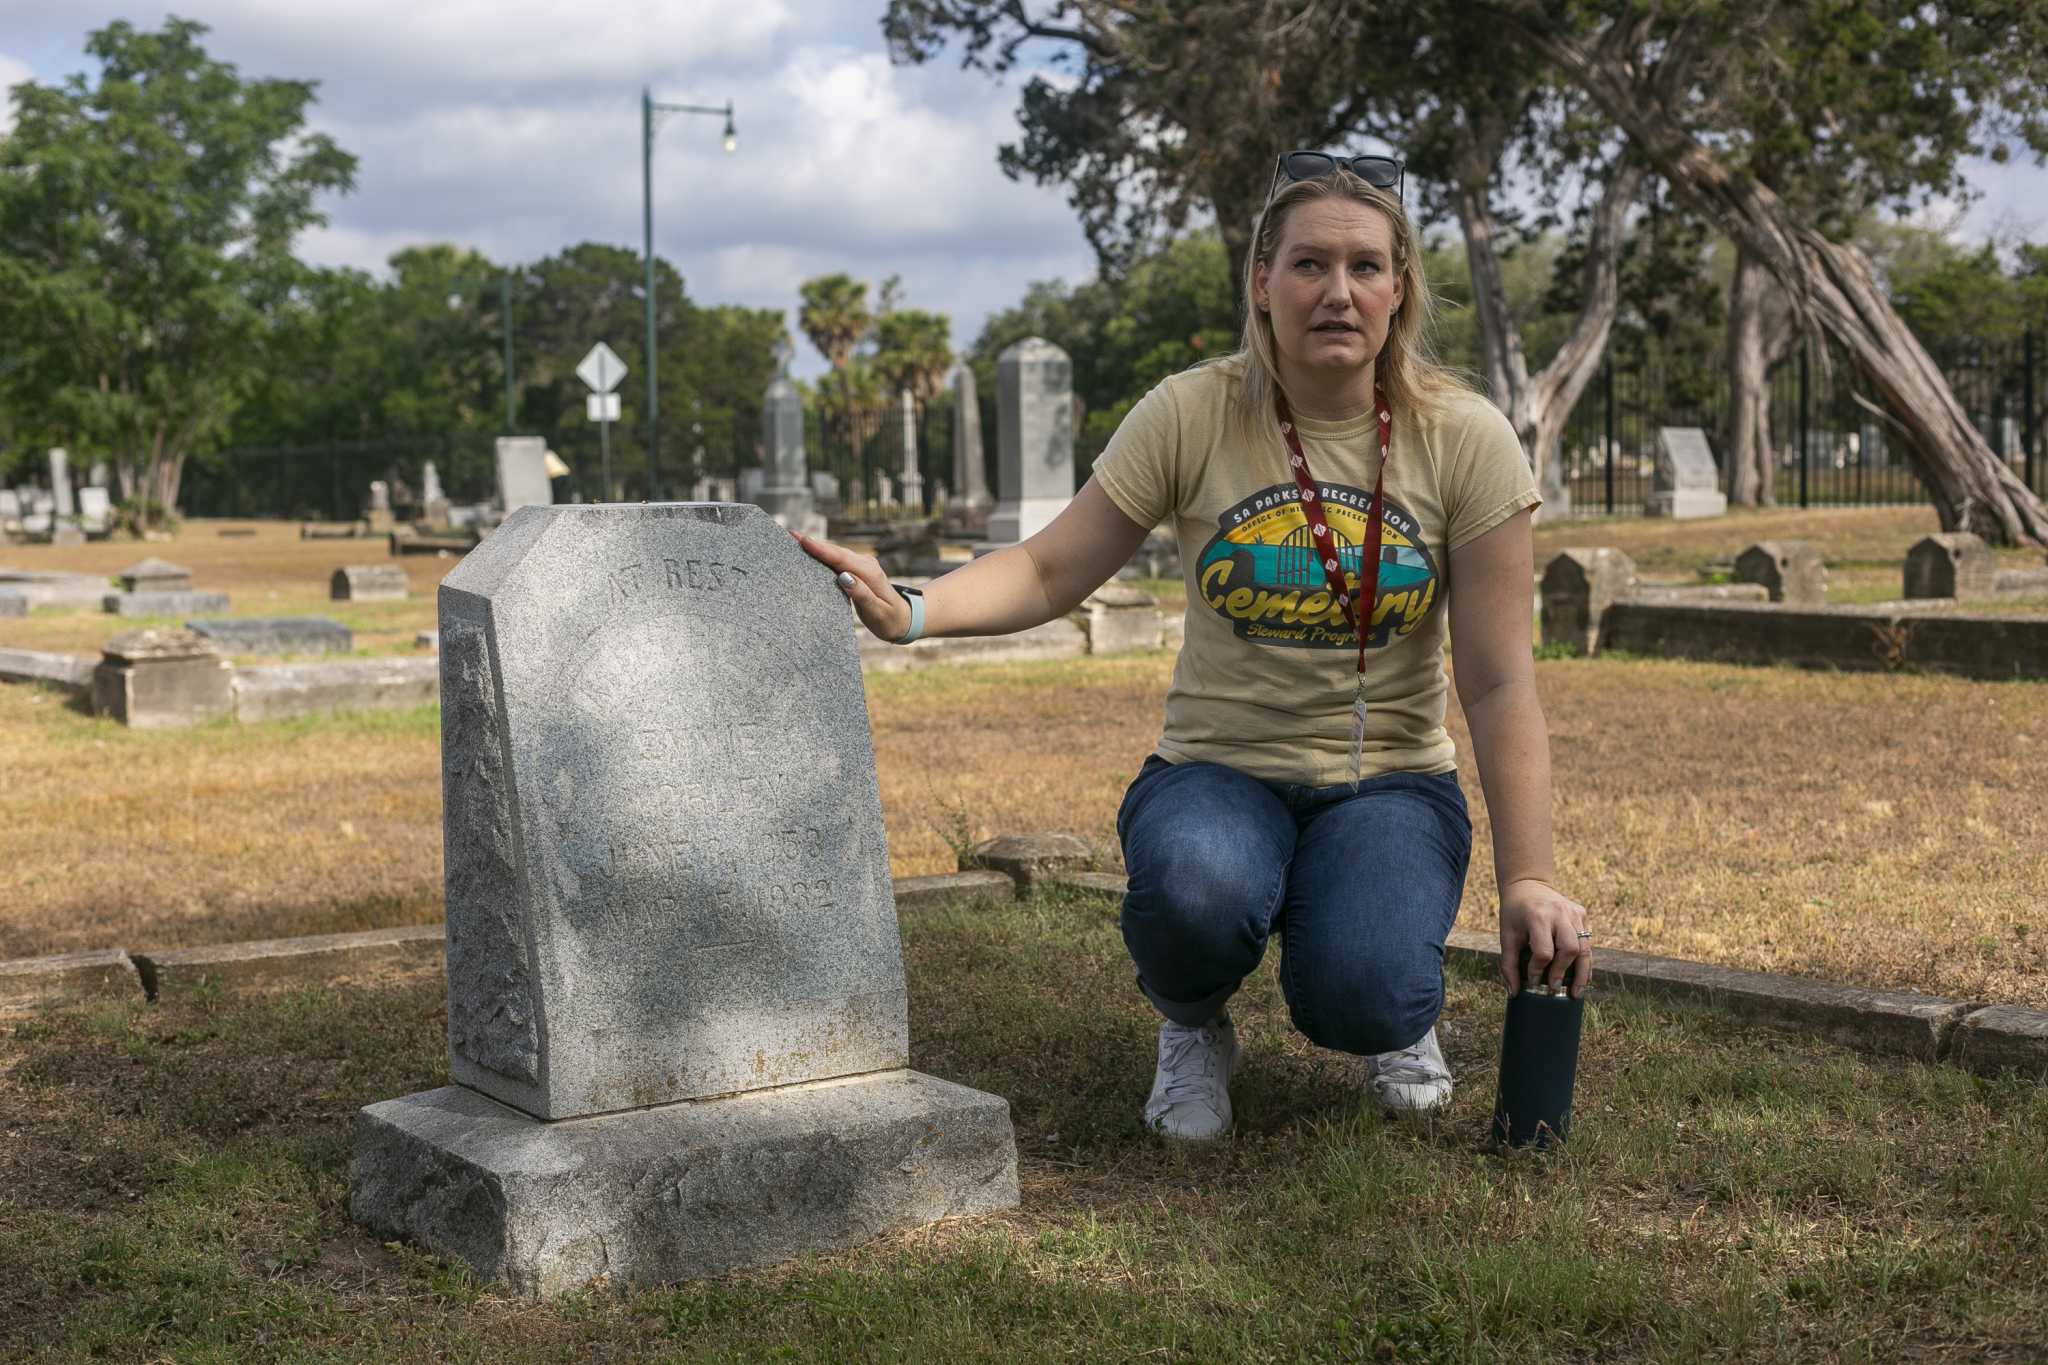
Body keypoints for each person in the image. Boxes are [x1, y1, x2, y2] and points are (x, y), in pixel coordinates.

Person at [796, 151, 1592, 1142]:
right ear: (1261, 283)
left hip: (1387, 779)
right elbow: (1050, 570)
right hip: (1215, 769)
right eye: (1306, 264)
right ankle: (1191, 1027)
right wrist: (913, 608)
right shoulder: (1191, 412)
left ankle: (1398, 1010)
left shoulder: (1462, 439)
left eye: (1363, 266)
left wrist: (1527, 878)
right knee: (1194, 891)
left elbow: (1497, 675)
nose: (1335, 291)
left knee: (1363, 988)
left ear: (1399, 290)